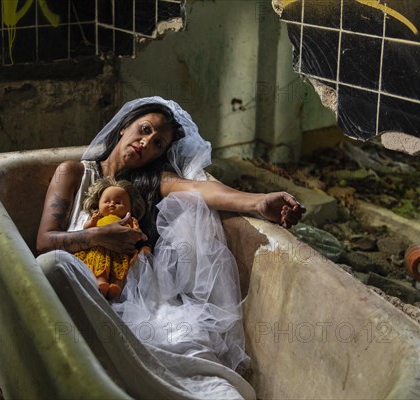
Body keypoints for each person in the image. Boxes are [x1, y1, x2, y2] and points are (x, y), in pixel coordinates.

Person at [36, 96, 305, 398]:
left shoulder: (150, 183)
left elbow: (201, 190)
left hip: (135, 297)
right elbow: (45, 243)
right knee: (53, 267)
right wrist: (97, 237)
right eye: (145, 129)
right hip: (83, 281)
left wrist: (258, 202)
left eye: (158, 144)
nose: (146, 143)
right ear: (125, 127)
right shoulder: (73, 172)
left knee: (190, 353)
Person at [73, 177, 150, 300]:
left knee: (120, 268)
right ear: (98, 204)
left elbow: (136, 234)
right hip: (99, 248)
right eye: (106, 201)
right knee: (99, 262)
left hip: (120, 251)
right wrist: (92, 221)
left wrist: (138, 233)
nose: (112, 204)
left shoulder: (129, 221)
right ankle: (100, 281)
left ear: (130, 208)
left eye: (118, 202)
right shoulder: (98, 218)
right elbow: (87, 229)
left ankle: (116, 286)